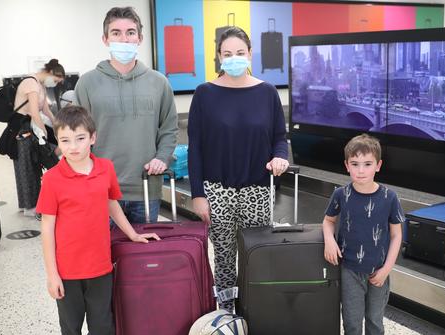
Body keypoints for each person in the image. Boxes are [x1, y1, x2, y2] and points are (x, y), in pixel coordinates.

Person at [37, 105, 160, 335]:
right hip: (67, 273)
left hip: (101, 269)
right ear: (58, 142)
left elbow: (111, 204)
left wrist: (133, 235)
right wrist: (52, 275)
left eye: (80, 138)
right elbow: (47, 228)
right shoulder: (53, 179)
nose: (73, 147)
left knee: (103, 331)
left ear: (93, 137)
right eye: (65, 140)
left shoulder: (105, 168)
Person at [187, 26, 289, 312]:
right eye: (227, 53)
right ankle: (227, 314)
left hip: (257, 189)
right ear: (219, 57)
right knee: (223, 256)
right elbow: (195, 148)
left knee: (255, 255)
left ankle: (255, 309)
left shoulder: (267, 93)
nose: (234, 58)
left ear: (250, 54)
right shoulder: (205, 94)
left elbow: (279, 138)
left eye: (240, 53)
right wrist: (198, 194)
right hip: (217, 190)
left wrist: (280, 158)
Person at [74, 6, 178, 224]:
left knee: (144, 256)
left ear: (139, 38)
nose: (124, 39)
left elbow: (169, 129)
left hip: (146, 186)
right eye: (116, 33)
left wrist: (161, 157)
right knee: (105, 254)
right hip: (102, 189)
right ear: (105, 39)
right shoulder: (87, 83)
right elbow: (77, 134)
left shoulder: (159, 83)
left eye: (130, 32)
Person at [321, 134, 405, 335]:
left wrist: (387, 269)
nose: (360, 171)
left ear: (378, 166)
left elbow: (397, 235)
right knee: (351, 318)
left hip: (379, 270)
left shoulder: (389, 197)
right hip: (349, 269)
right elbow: (328, 221)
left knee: (375, 317)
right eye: (355, 164)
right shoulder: (341, 194)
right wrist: (329, 240)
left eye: (367, 164)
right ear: (347, 165)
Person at [12, 58, 65, 217]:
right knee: (26, 166)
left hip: (31, 127)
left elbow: (47, 111)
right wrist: (45, 133)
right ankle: (29, 207)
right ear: (50, 73)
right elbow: (35, 113)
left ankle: (30, 203)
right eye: (55, 80)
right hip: (23, 129)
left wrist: (59, 128)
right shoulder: (31, 84)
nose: (54, 84)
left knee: (33, 165)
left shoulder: (40, 85)